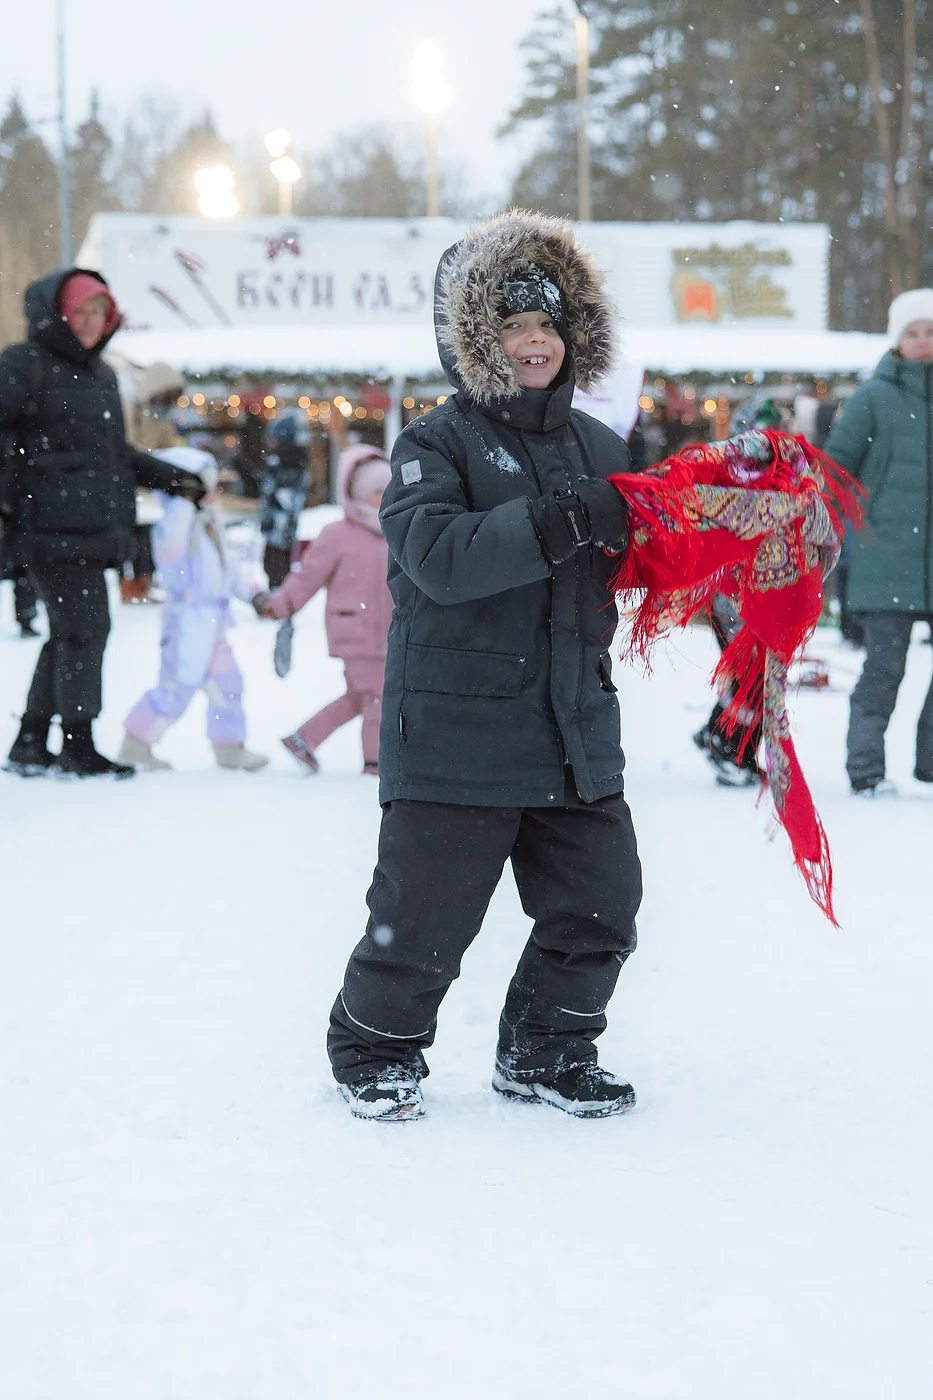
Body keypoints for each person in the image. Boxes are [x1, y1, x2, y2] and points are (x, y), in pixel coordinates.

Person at [324, 209, 643, 1122]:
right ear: (475, 339)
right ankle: (374, 1051)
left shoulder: (601, 448)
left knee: (600, 904)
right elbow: (440, 561)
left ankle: (546, 1052)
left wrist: (714, 530)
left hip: (571, 726)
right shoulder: (436, 444)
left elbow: (625, 562)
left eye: (548, 326)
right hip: (457, 729)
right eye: (513, 328)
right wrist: (557, 521)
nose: (535, 344)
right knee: (423, 922)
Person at [0, 268, 204, 778]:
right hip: (47, 527)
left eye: (100, 313)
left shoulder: (102, 375)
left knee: (70, 633)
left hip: (90, 530)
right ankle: (77, 744)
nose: (91, 323)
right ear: (59, 313)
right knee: (87, 630)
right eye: (82, 311)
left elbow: (116, 455)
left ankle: (30, 740)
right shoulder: (26, 364)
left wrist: (175, 479)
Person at [822, 288, 933, 795]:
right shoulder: (873, 397)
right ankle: (866, 770)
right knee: (884, 669)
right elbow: (835, 469)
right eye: (913, 332)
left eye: (931, 332)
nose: (923, 341)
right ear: (897, 339)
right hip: (886, 555)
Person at [118, 446, 268, 773]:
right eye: (204, 485)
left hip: (215, 622)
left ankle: (229, 747)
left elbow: (230, 565)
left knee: (229, 682)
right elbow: (170, 554)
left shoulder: (209, 521)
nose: (212, 492)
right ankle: (135, 745)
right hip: (186, 619)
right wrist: (182, 503)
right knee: (177, 686)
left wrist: (253, 593)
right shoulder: (175, 520)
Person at [253, 444, 392, 775]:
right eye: (374, 492)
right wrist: (282, 604)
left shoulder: (397, 530)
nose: (381, 499)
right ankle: (376, 764)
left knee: (360, 696)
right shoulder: (337, 535)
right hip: (355, 629)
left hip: (389, 629)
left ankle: (303, 738)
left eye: (387, 491)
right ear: (354, 492)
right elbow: (308, 577)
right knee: (378, 697)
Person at [259, 410, 310, 588]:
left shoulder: (282, 460)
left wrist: (270, 522)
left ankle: (279, 608)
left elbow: (280, 496)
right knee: (280, 569)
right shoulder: (297, 459)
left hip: (278, 529)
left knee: (275, 570)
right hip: (285, 529)